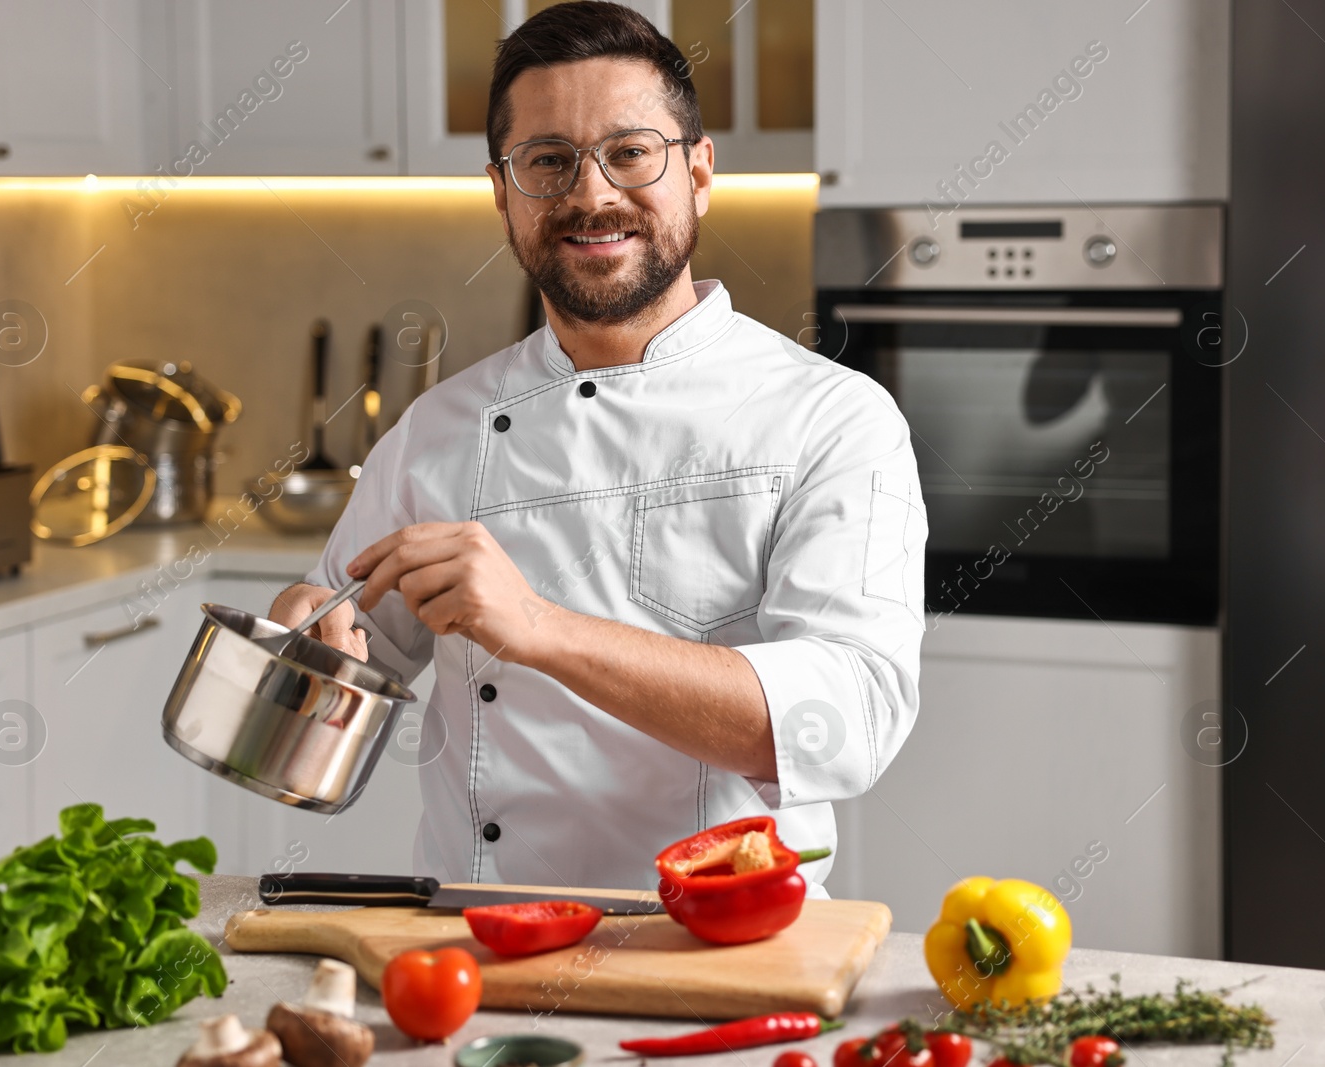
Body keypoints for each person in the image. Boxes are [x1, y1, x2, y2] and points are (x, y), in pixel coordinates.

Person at [271, 1, 925, 895]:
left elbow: (846, 723)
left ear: (698, 172)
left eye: (629, 152)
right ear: (503, 191)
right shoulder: (435, 431)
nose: (590, 194)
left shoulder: (831, 418)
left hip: (719, 945)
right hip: (479, 942)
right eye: (548, 161)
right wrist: (310, 642)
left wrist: (537, 627)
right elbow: (340, 688)